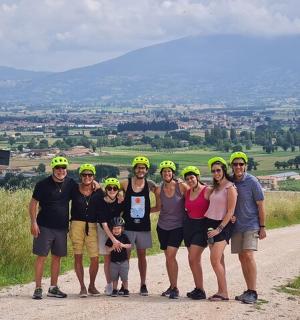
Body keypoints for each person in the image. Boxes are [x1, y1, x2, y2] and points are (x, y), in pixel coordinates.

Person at [29, 156, 76, 299]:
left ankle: (53, 288)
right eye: (58, 168)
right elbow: (32, 204)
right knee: (41, 257)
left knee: (57, 258)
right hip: (44, 226)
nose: (61, 170)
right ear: (53, 169)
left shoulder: (71, 183)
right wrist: (33, 222)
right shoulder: (42, 184)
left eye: (63, 168)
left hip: (62, 228)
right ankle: (38, 288)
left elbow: (83, 191)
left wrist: (96, 185)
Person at [229, 151, 266, 304]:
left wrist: (262, 226)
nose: (238, 166)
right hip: (235, 227)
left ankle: (253, 291)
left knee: (249, 256)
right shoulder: (230, 181)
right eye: (235, 164)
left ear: (245, 166)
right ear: (231, 166)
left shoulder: (252, 181)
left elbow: (261, 205)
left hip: (251, 224)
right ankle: (248, 290)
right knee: (242, 257)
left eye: (241, 164)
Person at [121, 156, 159, 296]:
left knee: (142, 256)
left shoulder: (150, 185)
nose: (140, 170)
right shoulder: (125, 183)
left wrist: (150, 211)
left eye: (143, 168)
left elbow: (161, 195)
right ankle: (124, 285)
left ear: (147, 170)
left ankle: (143, 284)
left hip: (143, 226)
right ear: (134, 169)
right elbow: (109, 188)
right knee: (126, 256)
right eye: (138, 167)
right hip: (128, 226)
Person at [205, 157, 237, 301]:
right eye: (213, 171)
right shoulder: (215, 188)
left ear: (224, 170)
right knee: (220, 261)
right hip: (210, 224)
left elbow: (230, 211)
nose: (216, 173)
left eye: (218, 170)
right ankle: (221, 291)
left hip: (222, 226)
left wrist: (219, 229)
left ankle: (224, 292)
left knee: (214, 260)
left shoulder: (230, 188)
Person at [69, 163, 103, 298]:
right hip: (76, 225)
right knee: (78, 256)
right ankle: (82, 287)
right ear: (80, 176)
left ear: (93, 176)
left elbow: (111, 196)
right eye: (84, 174)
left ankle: (92, 285)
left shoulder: (99, 191)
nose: (87, 177)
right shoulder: (74, 189)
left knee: (94, 258)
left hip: (92, 225)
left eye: (90, 175)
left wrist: (99, 185)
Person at [156, 160, 188, 299]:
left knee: (170, 256)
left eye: (169, 171)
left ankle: (175, 288)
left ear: (173, 173)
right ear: (161, 174)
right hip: (162, 226)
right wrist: (138, 212)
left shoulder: (181, 186)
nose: (166, 173)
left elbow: (197, 192)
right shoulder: (159, 189)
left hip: (177, 226)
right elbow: (158, 207)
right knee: (168, 258)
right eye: (164, 171)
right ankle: (171, 285)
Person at [182, 166, 212, 300]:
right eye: (187, 179)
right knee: (193, 260)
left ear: (197, 177)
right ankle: (198, 288)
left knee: (193, 258)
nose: (190, 180)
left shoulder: (207, 191)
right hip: (189, 226)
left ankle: (201, 290)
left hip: (202, 227)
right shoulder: (187, 192)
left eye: (192, 177)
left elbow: (219, 203)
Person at [97, 177, 124, 296]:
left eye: (115, 188)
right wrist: (113, 240)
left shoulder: (120, 202)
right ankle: (109, 284)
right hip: (104, 231)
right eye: (109, 188)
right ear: (105, 189)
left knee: (116, 259)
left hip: (116, 231)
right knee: (108, 258)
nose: (112, 190)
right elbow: (104, 224)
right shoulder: (101, 203)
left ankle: (116, 286)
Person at [105, 217, 131, 297]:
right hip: (114, 262)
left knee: (124, 278)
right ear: (111, 229)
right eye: (114, 229)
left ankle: (126, 289)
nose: (116, 230)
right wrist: (113, 247)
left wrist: (122, 245)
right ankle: (114, 290)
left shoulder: (124, 237)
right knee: (114, 278)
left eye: (118, 228)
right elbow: (107, 249)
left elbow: (129, 245)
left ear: (122, 229)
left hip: (124, 262)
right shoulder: (110, 239)